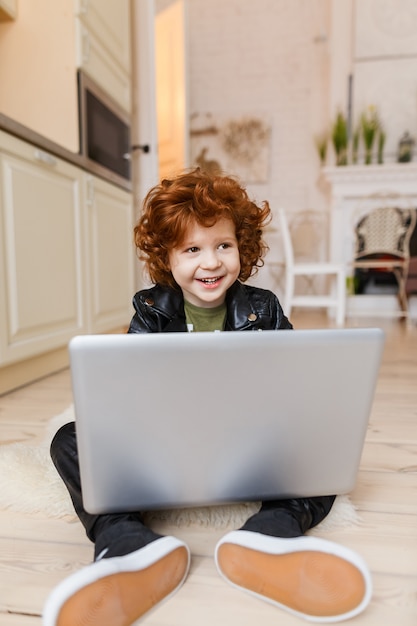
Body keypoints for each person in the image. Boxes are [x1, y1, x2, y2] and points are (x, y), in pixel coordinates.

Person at [43, 168, 372, 626]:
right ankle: (126, 544)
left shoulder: (264, 308)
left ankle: (271, 534)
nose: (211, 262)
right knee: (69, 439)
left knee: (326, 438)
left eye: (223, 245)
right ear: (168, 258)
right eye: (192, 249)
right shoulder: (150, 309)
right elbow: (131, 396)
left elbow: (294, 384)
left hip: (250, 448)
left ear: (243, 247)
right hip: (164, 450)